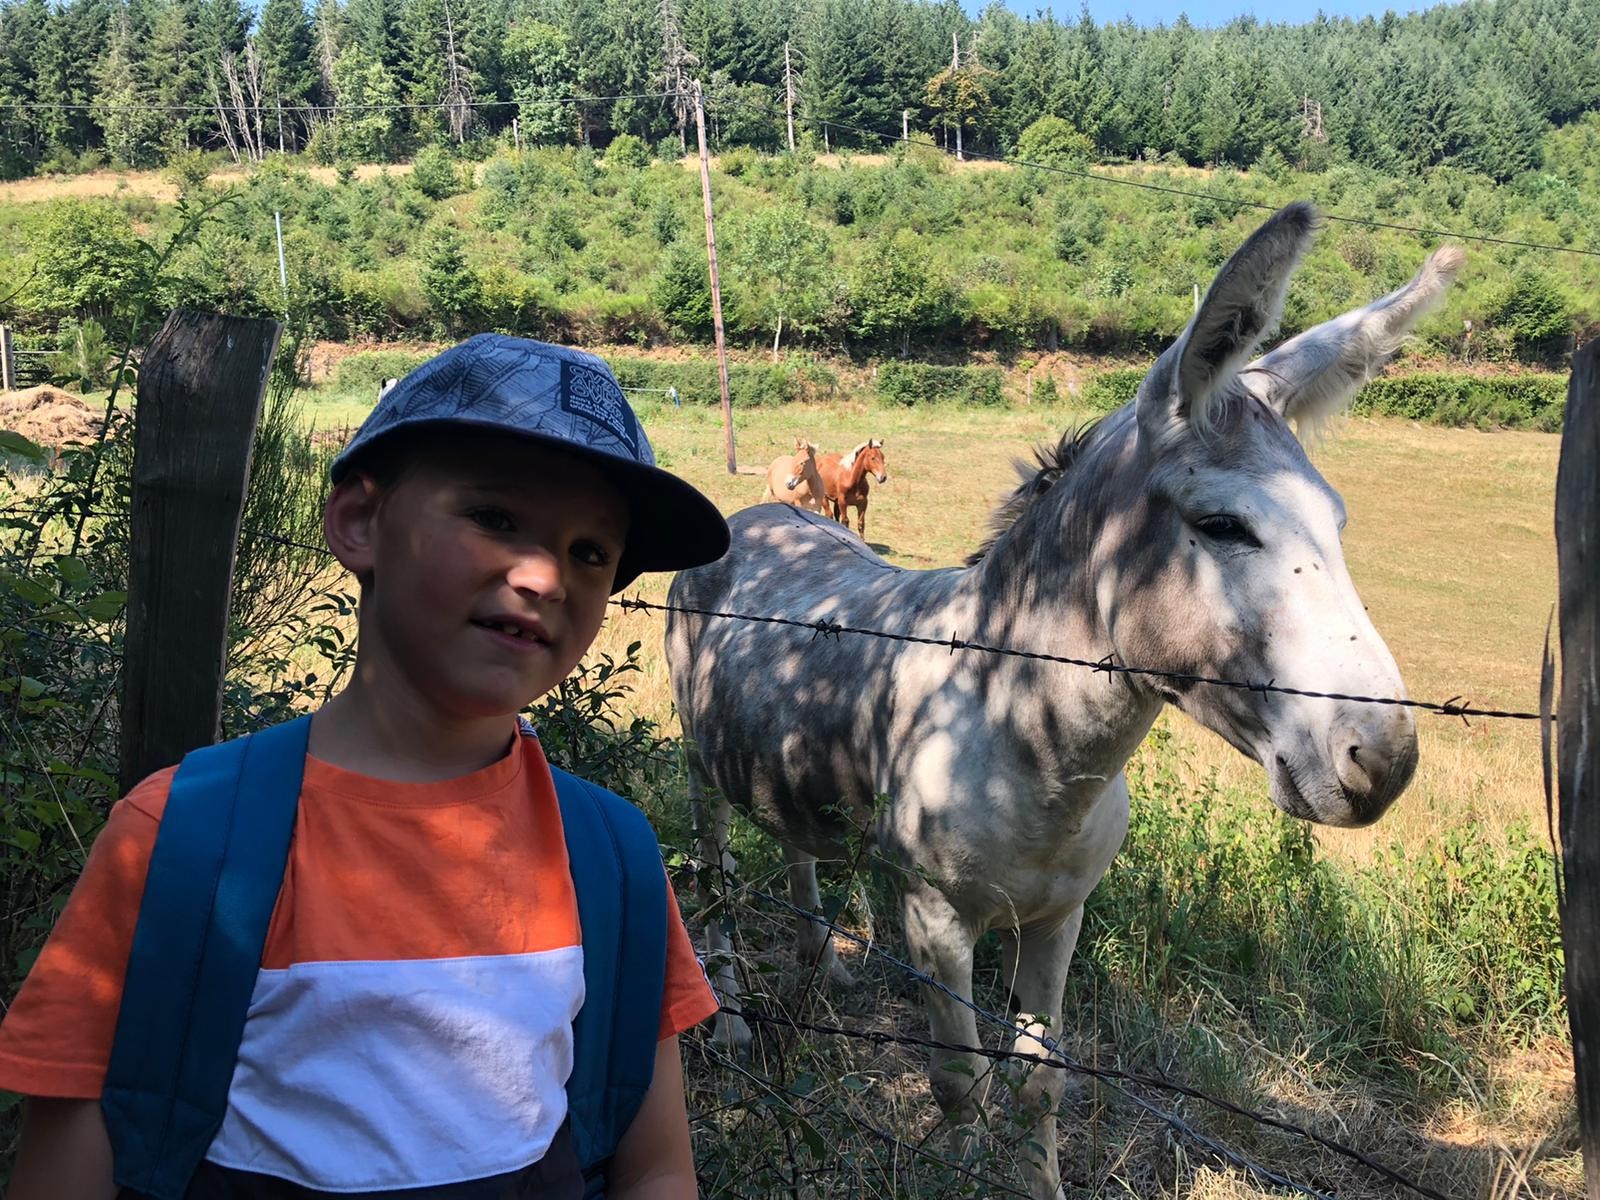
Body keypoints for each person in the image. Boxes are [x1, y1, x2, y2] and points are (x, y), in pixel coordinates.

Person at [0, 335, 731, 1200]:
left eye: (590, 552)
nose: (543, 575)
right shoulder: (183, 837)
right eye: (496, 517)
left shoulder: (610, 856)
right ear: (357, 523)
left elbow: (653, 1167)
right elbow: (70, 1160)